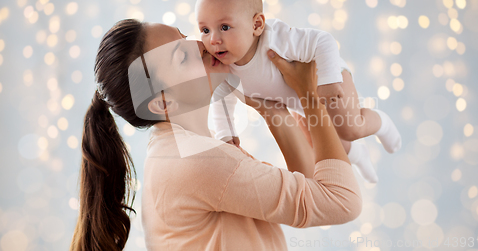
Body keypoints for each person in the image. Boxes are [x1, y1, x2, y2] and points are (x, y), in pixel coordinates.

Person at [70, 19, 362, 251]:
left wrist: (269, 106)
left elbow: (311, 191)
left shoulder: (182, 151)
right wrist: (308, 93)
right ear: (162, 102)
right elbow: (341, 201)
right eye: (182, 56)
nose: (201, 44)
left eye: (185, 36)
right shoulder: (198, 161)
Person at [195, 0, 402, 184]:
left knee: (349, 128)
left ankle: (383, 123)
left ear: (257, 25)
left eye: (224, 27)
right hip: (300, 102)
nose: (213, 40)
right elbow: (221, 97)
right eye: (205, 30)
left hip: (327, 77)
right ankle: (359, 155)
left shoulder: (275, 39)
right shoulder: (224, 68)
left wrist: (329, 80)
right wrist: (225, 134)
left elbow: (322, 41)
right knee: (320, 144)